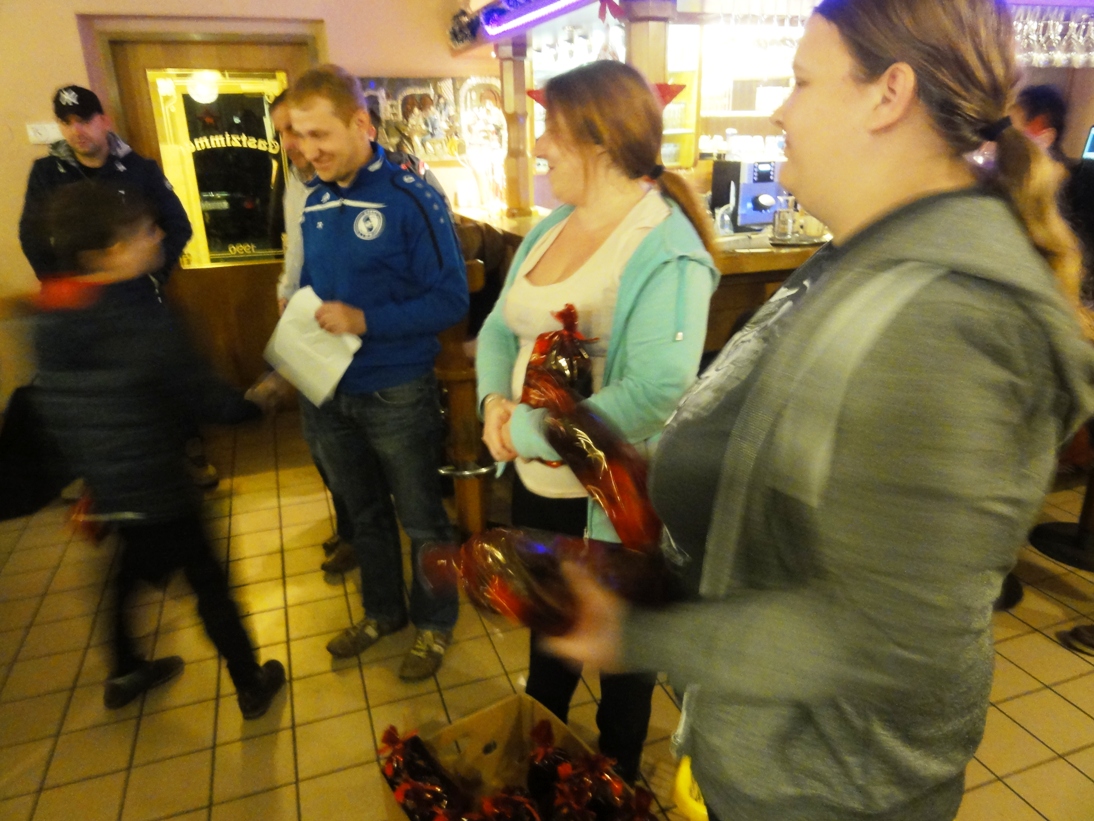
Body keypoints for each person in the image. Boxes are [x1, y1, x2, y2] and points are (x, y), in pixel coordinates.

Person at [543, 2, 1094, 820]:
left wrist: (636, 632)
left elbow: (887, 634)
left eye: (801, 82)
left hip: (828, 791)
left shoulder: (952, 319)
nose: (780, 110)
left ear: (888, 94)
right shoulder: (860, 257)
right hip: (763, 759)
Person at [475, 60, 720, 783]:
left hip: (610, 504)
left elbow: (656, 390)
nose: (539, 146)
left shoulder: (666, 247)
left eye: (551, 130)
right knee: (549, 643)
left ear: (600, 139)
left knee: (621, 665)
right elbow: (499, 326)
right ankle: (541, 776)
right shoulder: (555, 224)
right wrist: (492, 402)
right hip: (539, 487)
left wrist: (523, 431)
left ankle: (616, 786)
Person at [33, 180, 286, 718]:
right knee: (208, 583)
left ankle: (126, 670)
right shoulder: (146, 317)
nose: (157, 237)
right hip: (158, 486)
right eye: (144, 231)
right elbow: (205, 397)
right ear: (107, 253)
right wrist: (257, 402)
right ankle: (250, 682)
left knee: (128, 575)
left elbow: (54, 405)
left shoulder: (53, 315)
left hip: (107, 486)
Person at [287, 65, 468, 680]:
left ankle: (435, 624)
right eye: (299, 136)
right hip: (327, 389)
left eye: (319, 135)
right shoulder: (316, 200)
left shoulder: (412, 196)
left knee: (422, 519)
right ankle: (383, 612)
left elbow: (451, 300)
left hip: (395, 390)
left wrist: (365, 319)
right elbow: (314, 289)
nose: (307, 150)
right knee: (362, 514)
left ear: (361, 124)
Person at [18, 84, 218, 490]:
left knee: (161, 376)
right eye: (66, 122)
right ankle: (96, 475)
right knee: (90, 393)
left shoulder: (140, 169)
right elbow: (31, 236)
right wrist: (58, 284)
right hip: (78, 308)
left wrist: (155, 274)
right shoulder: (47, 174)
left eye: (84, 120)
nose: (76, 130)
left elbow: (178, 226)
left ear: (104, 120)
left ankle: (188, 450)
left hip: (137, 301)